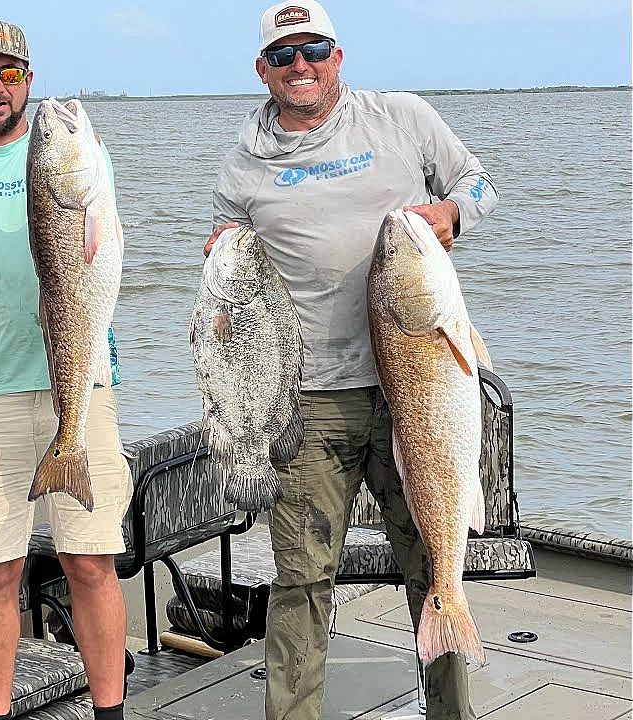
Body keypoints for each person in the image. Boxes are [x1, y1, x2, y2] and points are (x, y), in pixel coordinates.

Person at [203, 3, 499, 719]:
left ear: (339, 56)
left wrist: (450, 215)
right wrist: (220, 267)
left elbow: (480, 185)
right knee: (301, 580)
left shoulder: (401, 117)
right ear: (262, 70)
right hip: (305, 402)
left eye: (315, 49)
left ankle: (451, 712)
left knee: (432, 563)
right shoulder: (243, 164)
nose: (300, 64)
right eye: (283, 55)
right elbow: (230, 278)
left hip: (415, 393)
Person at [0, 19, 132, 720]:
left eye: (9, 74)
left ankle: (111, 712)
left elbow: (99, 251)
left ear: (28, 81)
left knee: (92, 561)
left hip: (78, 387)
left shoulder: (79, 164)